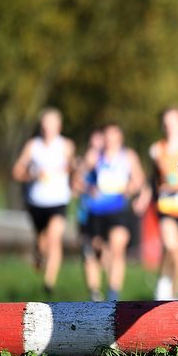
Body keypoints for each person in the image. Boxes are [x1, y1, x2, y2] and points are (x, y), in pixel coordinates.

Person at [12, 107, 75, 296]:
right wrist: (32, 174)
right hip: (37, 202)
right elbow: (17, 171)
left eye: (52, 124)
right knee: (42, 242)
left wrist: (75, 176)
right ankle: (38, 253)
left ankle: (49, 283)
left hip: (58, 200)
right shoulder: (33, 146)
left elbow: (73, 168)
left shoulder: (66, 146)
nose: (48, 128)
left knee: (54, 238)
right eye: (45, 124)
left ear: (59, 126)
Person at [84, 123, 147, 301]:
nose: (110, 140)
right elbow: (77, 180)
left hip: (119, 209)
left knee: (117, 246)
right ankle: (95, 295)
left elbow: (139, 181)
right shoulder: (95, 156)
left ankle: (113, 294)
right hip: (97, 211)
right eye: (107, 136)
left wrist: (130, 187)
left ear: (120, 138)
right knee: (97, 250)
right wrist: (89, 187)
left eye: (114, 136)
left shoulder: (128, 156)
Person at [151, 108, 178, 300]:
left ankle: (175, 294)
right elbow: (152, 178)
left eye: (174, 122)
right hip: (165, 206)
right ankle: (163, 284)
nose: (170, 127)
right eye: (167, 123)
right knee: (171, 246)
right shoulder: (156, 149)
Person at [72, 128, 105, 301]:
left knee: (102, 250)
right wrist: (85, 166)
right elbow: (74, 186)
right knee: (88, 252)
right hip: (86, 214)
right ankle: (94, 292)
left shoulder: (110, 162)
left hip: (105, 216)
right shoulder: (81, 162)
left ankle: (110, 288)